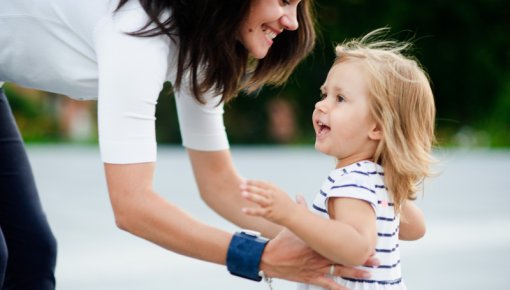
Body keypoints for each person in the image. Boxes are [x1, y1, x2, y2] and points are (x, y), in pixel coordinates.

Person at [0, 0, 377, 289]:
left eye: (297, 6)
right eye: (282, 1)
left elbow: (221, 185)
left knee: (29, 255)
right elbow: (132, 206)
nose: (293, 21)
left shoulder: (204, 42)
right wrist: (260, 257)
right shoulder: (138, 32)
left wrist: (327, 246)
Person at [241, 28, 436, 289]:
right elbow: (417, 228)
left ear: (377, 127)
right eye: (324, 95)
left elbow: (356, 248)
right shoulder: (378, 179)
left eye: (340, 98)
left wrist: (292, 216)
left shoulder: (351, 182)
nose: (321, 105)